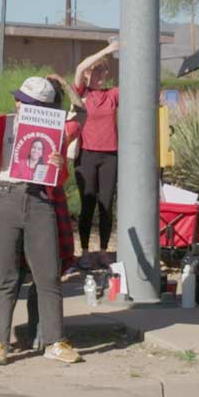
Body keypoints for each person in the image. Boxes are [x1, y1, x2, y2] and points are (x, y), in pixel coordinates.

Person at [0, 76, 82, 366]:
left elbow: (59, 178)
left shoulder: (56, 130)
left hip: (39, 199)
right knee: (4, 276)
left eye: (26, 101)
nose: (19, 104)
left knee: (48, 274)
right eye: (18, 98)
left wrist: (59, 167)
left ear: (43, 108)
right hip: (4, 197)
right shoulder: (1, 125)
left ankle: (55, 341)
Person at [71, 41, 120, 262]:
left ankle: (102, 249)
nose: (98, 74)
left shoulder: (112, 95)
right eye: (95, 70)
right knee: (88, 203)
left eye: (103, 70)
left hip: (110, 155)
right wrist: (106, 51)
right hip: (87, 156)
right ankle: (84, 251)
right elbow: (80, 68)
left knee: (106, 204)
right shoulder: (82, 94)